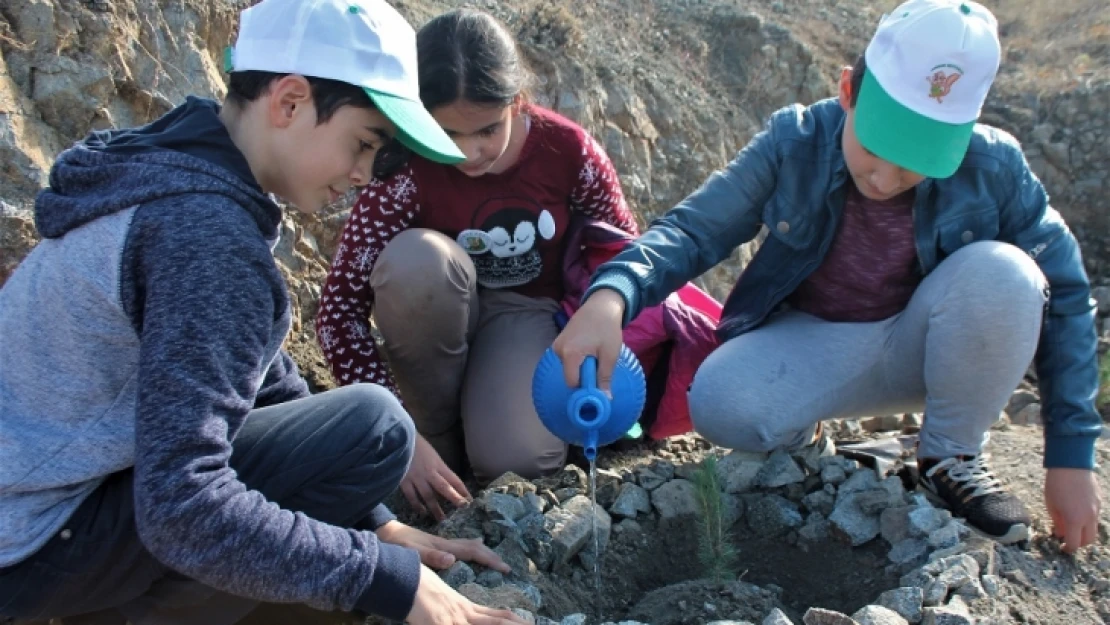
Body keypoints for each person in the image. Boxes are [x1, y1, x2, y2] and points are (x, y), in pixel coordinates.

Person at [0, 0, 529, 623]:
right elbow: (181, 506)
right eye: (364, 144)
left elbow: (264, 383)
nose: (364, 175)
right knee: (376, 428)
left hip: (41, 511)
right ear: (290, 101)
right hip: (31, 545)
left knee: (353, 457)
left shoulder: (180, 176)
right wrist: (385, 580)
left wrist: (376, 528)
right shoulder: (205, 236)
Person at [553, 0, 1102, 551]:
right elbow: (695, 231)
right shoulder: (796, 143)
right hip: (818, 343)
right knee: (721, 401)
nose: (886, 179)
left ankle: (950, 455)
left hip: (931, 344)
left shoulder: (996, 166)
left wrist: (1071, 456)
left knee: (1006, 274)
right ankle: (810, 439)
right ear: (847, 92)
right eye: (876, 148)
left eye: (917, 162)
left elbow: (1068, 296)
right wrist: (612, 295)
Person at [316, 8, 721, 521]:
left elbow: (624, 262)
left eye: (487, 129)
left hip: (527, 316)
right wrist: (397, 430)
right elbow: (339, 312)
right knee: (418, 261)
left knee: (519, 460)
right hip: (432, 316)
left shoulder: (569, 153)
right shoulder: (402, 168)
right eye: (445, 135)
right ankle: (438, 431)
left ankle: (483, 431)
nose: (468, 154)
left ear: (518, 100)